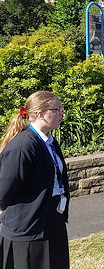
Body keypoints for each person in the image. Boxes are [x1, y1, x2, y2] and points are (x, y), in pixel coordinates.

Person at [0, 91, 70, 269]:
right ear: (40, 114)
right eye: (57, 109)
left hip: (50, 224)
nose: (62, 113)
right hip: (28, 232)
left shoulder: (50, 142)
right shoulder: (23, 147)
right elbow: (3, 192)